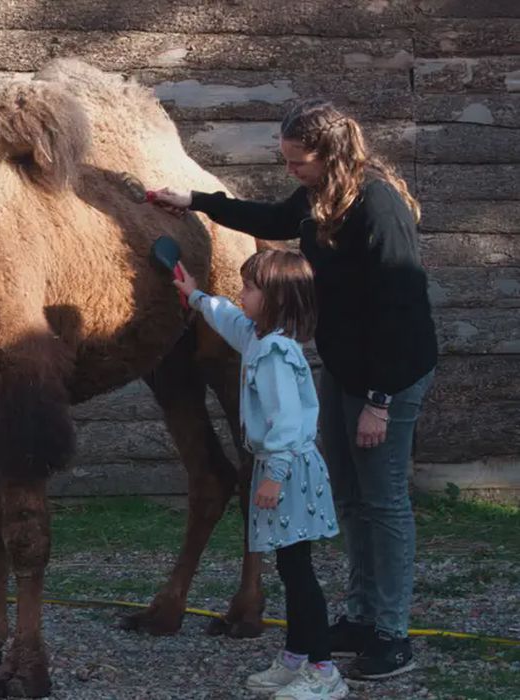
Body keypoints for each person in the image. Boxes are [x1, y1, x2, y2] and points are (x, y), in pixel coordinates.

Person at [152, 99, 437, 680]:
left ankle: (391, 634)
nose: (290, 172)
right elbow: (271, 222)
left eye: (296, 162)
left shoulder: (376, 204)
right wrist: (197, 203)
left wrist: (380, 402)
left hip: (391, 373)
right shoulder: (317, 198)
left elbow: (400, 307)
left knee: (382, 503)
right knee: (352, 498)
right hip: (345, 369)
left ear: (328, 155)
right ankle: (358, 616)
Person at [175, 249, 347, 700]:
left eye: (250, 288)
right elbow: (230, 319)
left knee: (300, 571)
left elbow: (286, 422)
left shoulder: (273, 354)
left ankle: (325, 671)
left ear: (274, 300)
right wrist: (195, 297)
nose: (242, 294)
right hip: (281, 469)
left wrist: (273, 476)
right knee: (291, 568)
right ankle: (294, 658)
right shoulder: (259, 337)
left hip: (286, 471)